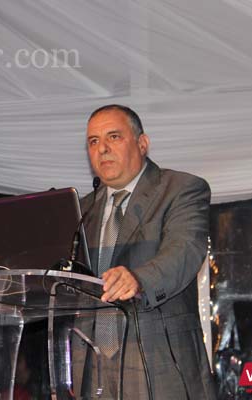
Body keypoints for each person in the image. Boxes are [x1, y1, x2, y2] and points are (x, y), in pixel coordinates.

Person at [80, 104, 216, 399]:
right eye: (93, 141)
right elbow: (56, 274)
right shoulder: (81, 210)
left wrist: (139, 279)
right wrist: (1, 291)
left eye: (113, 137)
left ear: (142, 144)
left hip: (158, 360)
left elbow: (184, 250)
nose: (102, 149)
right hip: (90, 367)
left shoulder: (180, 189)